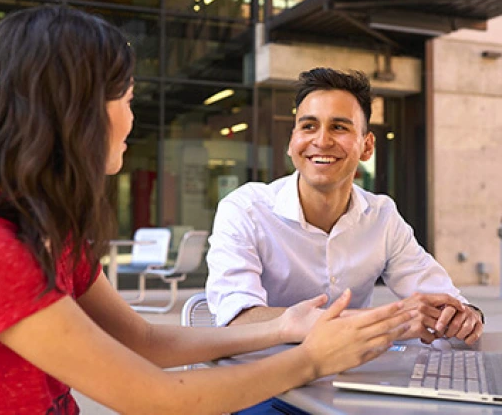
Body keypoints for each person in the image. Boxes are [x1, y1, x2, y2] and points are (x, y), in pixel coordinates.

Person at [0, 7, 413, 414]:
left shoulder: (50, 233)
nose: (132, 116)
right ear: (75, 111)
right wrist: (312, 359)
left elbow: (142, 340)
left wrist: (281, 328)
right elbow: (153, 398)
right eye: (125, 98)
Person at [206, 67, 484, 346]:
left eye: (339, 127)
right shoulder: (245, 210)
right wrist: (391, 320)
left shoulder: (382, 216)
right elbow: (237, 318)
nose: (322, 141)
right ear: (292, 142)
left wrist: (464, 316)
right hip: (261, 373)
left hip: (351, 376)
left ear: (367, 145)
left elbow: (446, 302)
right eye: (308, 126)